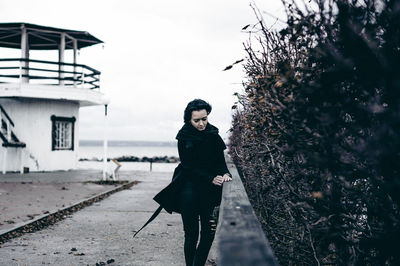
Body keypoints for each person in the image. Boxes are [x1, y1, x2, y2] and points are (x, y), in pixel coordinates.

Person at [153, 99, 232, 266]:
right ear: (189, 119)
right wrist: (210, 177)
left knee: (208, 234)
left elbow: (220, 161)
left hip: (211, 191)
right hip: (189, 189)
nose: (201, 123)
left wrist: (225, 173)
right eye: (197, 120)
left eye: (204, 119)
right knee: (191, 235)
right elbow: (188, 166)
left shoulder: (213, 134)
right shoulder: (184, 137)